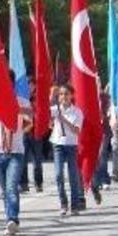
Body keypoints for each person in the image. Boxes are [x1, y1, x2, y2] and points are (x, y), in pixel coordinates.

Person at [0, 84, 33, 236]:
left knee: (11, 187)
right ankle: (9, 218)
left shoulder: (22, 101)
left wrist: (14, 110)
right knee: (5, 191)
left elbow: (30, 116)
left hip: (16, 152)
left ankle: (13, 219)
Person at [50, 84, 86, 216]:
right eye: (61, 94)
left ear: (72, 95)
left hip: (71, 145)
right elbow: (44, 115)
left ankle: (74, 205)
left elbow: (76, 130)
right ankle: (63, 203)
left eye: (66, 94)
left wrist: (63, 120)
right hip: (58, 144)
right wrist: (50, 97)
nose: (63, 97)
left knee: (73, 176)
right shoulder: (55, 109)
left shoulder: (77, 112)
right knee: (58, 175)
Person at [21, 77, 46, 193]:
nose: (29, 87)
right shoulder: (22, 98)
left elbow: (40, 113)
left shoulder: (38, 99)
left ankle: (38, 183)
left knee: (37, 161)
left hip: (36, 132)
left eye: (31, 84)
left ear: (35, 86)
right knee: (23, 160)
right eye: (27, 84)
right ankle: (24, 183)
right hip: (24, 132)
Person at [91, 89, 113, 203]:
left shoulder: (104, 97)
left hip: (103, 130)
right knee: (94, 157)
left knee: (102, 155)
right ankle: (96, 181)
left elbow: (109, 110)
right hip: (91, 130)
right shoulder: (86, 95)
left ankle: (104, 179)